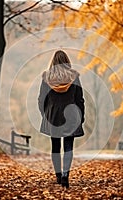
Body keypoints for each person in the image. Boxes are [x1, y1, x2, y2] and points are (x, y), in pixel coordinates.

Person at [38, 50, 85, 188]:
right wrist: (81, 116)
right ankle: (65, 175)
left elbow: (41, 99)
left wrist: (45, 115)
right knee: (69, 147)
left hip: (53, 116)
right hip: (71, 116)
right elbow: (80, 100)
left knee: (56, 147)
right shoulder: (74, 77)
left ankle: (58, 175)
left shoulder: (47, 77)